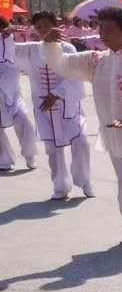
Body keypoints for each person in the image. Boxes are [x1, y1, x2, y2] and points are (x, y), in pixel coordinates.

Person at [43, 7, 122, 242]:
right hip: (114, 135)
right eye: (101, 28)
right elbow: (63, 64)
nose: (102, 34)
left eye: (108, 29)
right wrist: (50, 45)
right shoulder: (95, 60)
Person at [8, 11, 92, 199]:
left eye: (47, 25)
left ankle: (84, 180)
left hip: (68, 104)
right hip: (44, 109)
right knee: (54, 149)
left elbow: (75, 75)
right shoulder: (30, 49)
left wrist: (56, 94)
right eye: (39, 27)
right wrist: (5, 34)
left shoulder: (68, 48)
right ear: (34, 30)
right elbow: (7, 49)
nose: (43, 30)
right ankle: (60, 186)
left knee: (81, 142)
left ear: (56, 25)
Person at [0, 17, 39, 172]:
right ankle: (4, 160)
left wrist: (7, 31)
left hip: (12, 89)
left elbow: (6, 34)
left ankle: (30, 155)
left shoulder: (8, 39)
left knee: (24, 121)